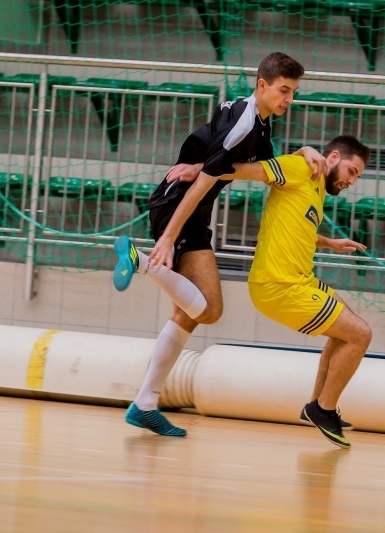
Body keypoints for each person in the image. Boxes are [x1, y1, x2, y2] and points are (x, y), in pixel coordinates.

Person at [112, 51, 324, 437]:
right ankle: (142, 261)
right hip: (181, 205)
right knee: (209, 310)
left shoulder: (257, 121)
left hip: (185, 206)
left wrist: (305, 152)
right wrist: (168, 238)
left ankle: (144, 403)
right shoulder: (245, 123)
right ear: (262, 85)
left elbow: (267, 171)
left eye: (293, 92)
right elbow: (203, 184)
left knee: (188, 315)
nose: (289, 100)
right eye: (284, 91)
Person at [151, 135, 373, 448]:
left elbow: (297, 228)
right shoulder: (299, 167)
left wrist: (330, 243)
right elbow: (248, 170)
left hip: (299, 280)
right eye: (353, 171)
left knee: (345, 329)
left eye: (357, 177)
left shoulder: (316, 188)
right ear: (334, 157)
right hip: (278, 286)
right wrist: (201, 169)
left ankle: (316, 406)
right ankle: (324, 409)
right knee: (360, 334)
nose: (353, 181)